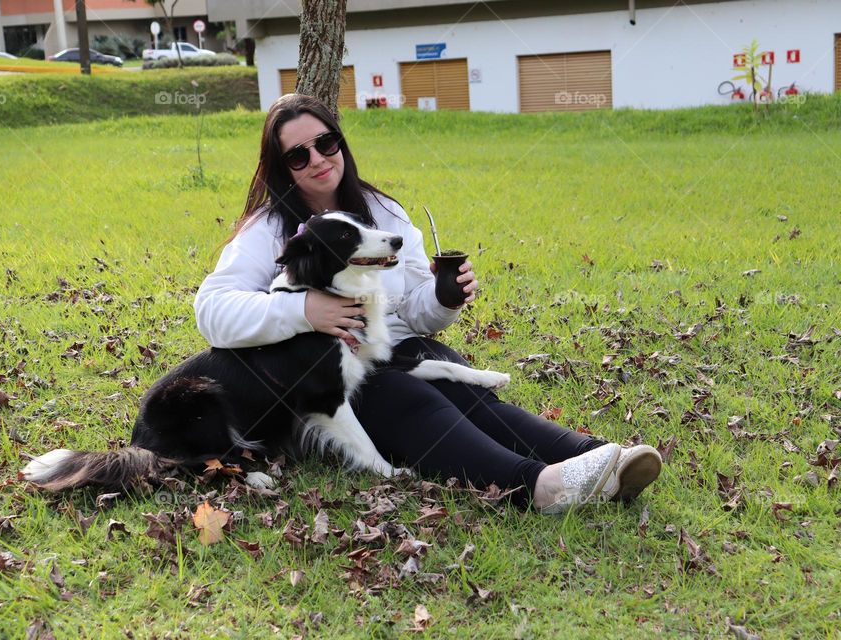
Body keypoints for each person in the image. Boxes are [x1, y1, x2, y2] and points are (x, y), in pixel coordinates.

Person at [194, 94, 661, 514]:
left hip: (387, 348)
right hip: (321, 380)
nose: (317, 159)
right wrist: (303, 312)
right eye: (298, 155)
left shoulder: (382, 211)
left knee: (458, 380)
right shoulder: (267, 229)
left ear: (341, 143)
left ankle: (591, 453)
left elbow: (417, 312)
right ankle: (538, 486)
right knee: (407, 395)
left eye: (326, 142)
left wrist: (443, 295)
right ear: (282, 168)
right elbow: (212, 311)